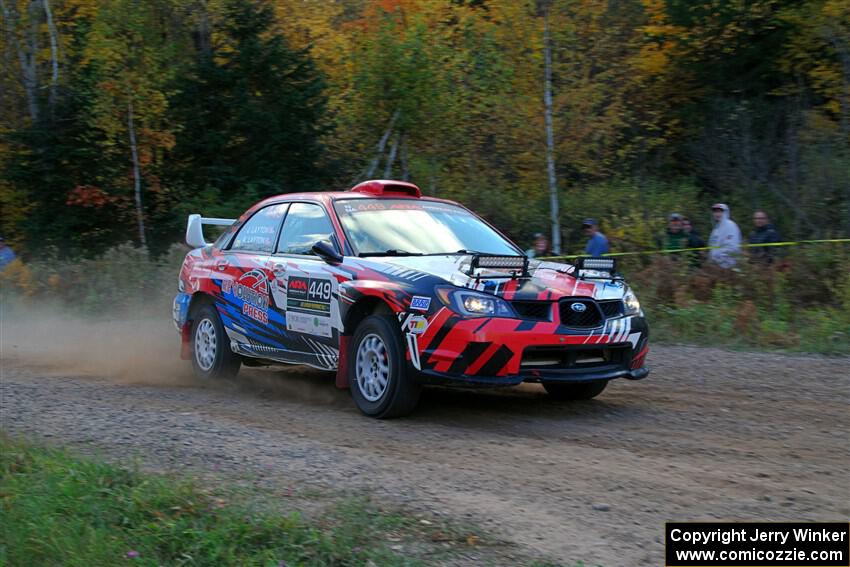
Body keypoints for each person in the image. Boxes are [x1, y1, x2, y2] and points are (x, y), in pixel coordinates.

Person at [708, 203, 741, 268]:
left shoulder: (730, 225)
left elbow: (731, 247)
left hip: (728, 265)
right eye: (715, 211)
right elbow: (712, 246)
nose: (717, 214)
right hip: (716, 266)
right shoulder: (715, 229)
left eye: (720, 211)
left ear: (725, 212)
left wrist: (719, 258)